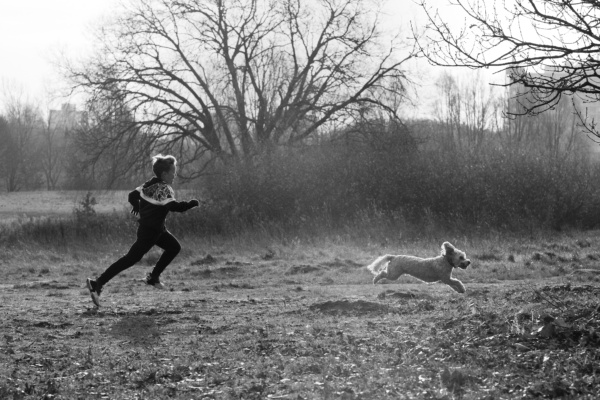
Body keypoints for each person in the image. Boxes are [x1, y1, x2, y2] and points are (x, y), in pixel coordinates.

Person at [86, 154, 199, 307]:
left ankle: (153, 277)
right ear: (164, 174)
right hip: (150, 233)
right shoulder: (164, 189)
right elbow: (174, 207)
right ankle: (97, 283)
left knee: (174, 247)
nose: (175, 175)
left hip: (155, 230)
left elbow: (132, 196)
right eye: (173, 172)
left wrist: (137, 207)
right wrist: (191, 204)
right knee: (130, 259)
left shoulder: (148, 184)